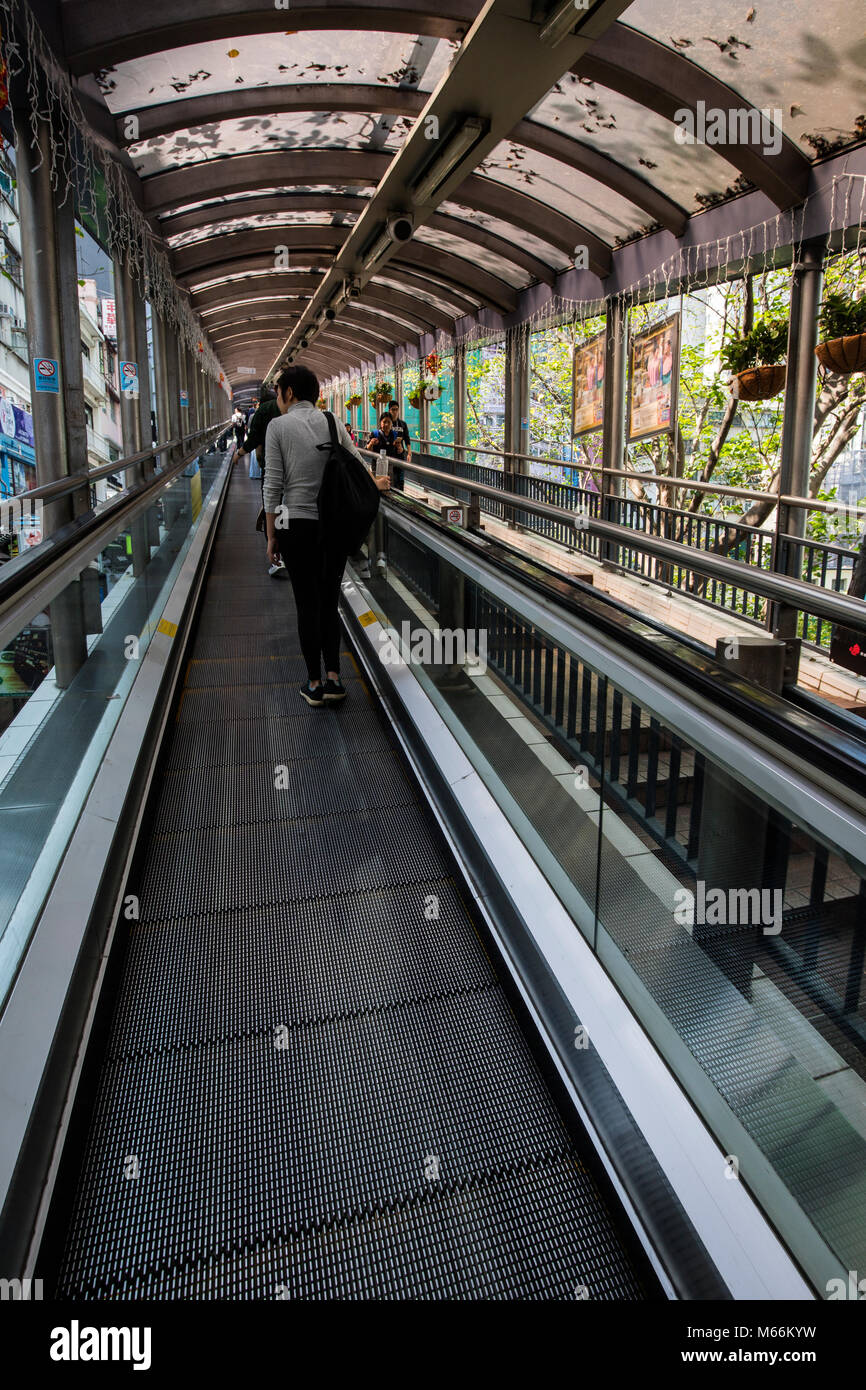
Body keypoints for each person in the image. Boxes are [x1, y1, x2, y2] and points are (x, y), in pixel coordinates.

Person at [264, 364, 390, 707]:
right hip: (332, 525)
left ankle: (314, 682)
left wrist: (271, 535)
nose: (278, 399)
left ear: (289, 392)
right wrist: (375, 484)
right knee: (328, 601)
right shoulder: (332, 422)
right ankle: (335, 678)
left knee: (306, 605)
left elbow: (273, 484)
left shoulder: (278, 427)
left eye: (279, 392)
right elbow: (354, 464)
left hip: (296, 525)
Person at [237, 386, 285, 578]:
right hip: (292, 470)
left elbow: (254, 437)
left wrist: (240, 453)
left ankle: (275, 553)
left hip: (270, 465)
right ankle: (287, 550)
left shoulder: (262, 412)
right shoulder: (288, 411)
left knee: (270, 507)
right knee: (285, 506)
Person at [368, 411, 406, 490]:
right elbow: (368, 450)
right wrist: (371, 443)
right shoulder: (375, 434)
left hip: (390, 466)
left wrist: (400, 448)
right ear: (380, 423)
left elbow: (400, 451)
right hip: (377, 465)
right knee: (378, 485)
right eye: (384, 422)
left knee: (389, 486)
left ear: (392, 423)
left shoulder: (395, 435)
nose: (386, 424)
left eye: (389, 422)